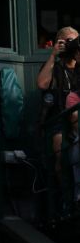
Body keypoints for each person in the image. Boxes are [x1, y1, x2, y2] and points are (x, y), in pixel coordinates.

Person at [37, 27, 80, 175]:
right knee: (60, 147)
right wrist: (53, 55)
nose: (72, 45)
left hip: (77, 119)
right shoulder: (55, 67)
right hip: (59, 122)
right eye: (68, 41)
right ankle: (65, 193)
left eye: (75, 41)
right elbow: (42, 84)